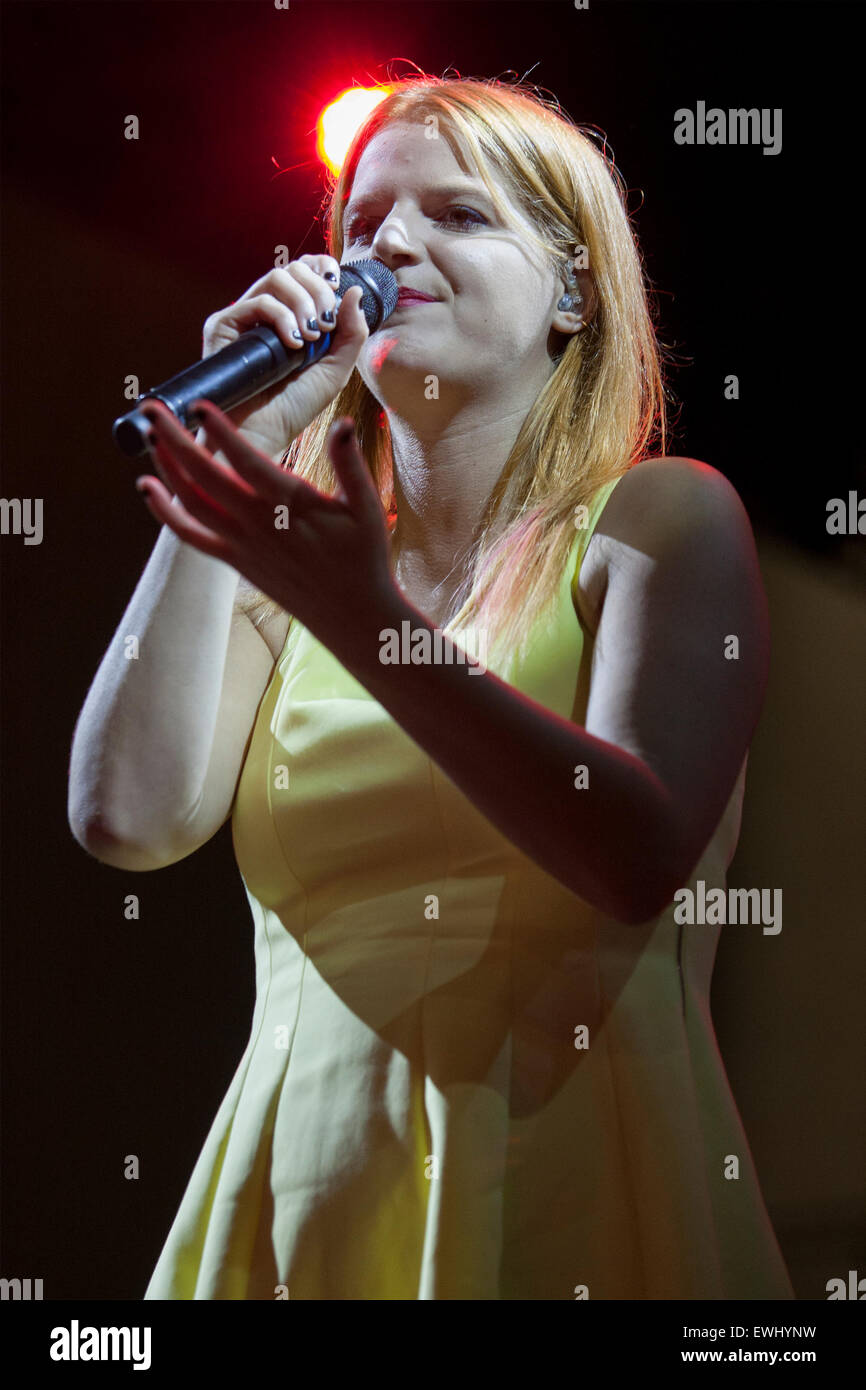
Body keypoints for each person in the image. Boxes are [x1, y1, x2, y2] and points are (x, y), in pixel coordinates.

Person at [68, 73, 794, 1300]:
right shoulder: (292, 574)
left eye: (457, 215)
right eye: (363, 223)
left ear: (570, 288)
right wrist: (232, 452)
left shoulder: (660, 523)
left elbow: (629, 854)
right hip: (303, 1210)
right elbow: (126, 818)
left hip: (569, 1198)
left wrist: (369, 622)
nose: (388, 243)